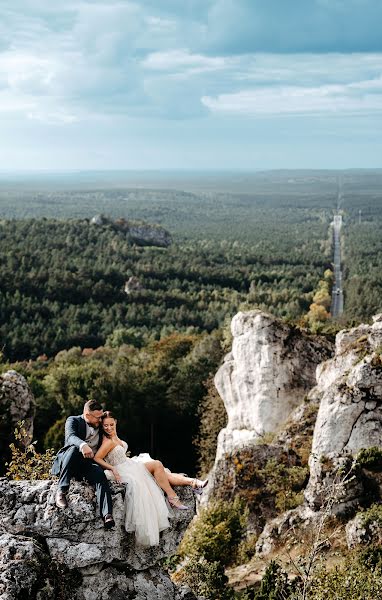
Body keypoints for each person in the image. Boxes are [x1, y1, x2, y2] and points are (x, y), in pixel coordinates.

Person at [94, 411, 207, 546]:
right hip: (123, 469)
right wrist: (112, 468)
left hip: (130, 464)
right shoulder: (107, 441)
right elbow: (97, 458)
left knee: (163, 472)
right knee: (158, 465)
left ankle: (193, 483)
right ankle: (175, 495)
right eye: (105, 426)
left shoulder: (114, 436)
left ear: (116, 422)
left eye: (111, 424)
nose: (108, 428)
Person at [51, 400, 115, 529]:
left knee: (99, 473)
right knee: (74, 449)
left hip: (86, 464)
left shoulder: (100, 425)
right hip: (69, 460)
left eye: (101, 416)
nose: (100, 420)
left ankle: (107, 514)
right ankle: (61, 491)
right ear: (87, 415)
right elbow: (70, 437)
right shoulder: (73, 420)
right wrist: (83, 445)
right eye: (98, 417)